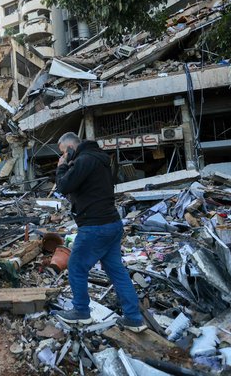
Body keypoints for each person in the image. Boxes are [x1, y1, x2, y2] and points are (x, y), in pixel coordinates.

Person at [52, 132, 146, 332]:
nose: (64, 156)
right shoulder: (99, 159)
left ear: (70, 147)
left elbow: (63, 186)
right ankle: (134, 318)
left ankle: (81, 313)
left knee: (76, 266)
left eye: (63, 152)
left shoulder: (84, 160)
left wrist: (61, 166)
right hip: (112, 224)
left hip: (95, 226)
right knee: (117, 271)